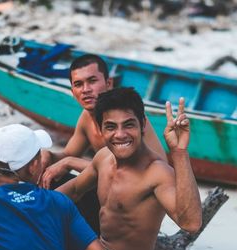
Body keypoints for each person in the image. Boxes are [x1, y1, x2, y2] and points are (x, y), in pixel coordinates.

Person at [57, 88, 202, 250]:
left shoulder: (156, 172)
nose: (120, 134)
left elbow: (191, 223)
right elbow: (73, 190)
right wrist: (26, 208)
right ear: (101, 130)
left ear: (142, 125)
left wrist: (179, 152)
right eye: (110, 127)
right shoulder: (104, 158)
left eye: (128, 125)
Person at [39, 54, 167, 234]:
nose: (85, 90)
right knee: (50, 178)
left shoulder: (127, 120)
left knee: (69, 183)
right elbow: (69, 153)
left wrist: (70, 163)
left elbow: (146, 174)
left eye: (92, 81)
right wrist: (49, 156)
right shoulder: (86, 118)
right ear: (72, 91)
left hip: (137, 205)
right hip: (110, 194)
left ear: (108, 83)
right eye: (78, 84)